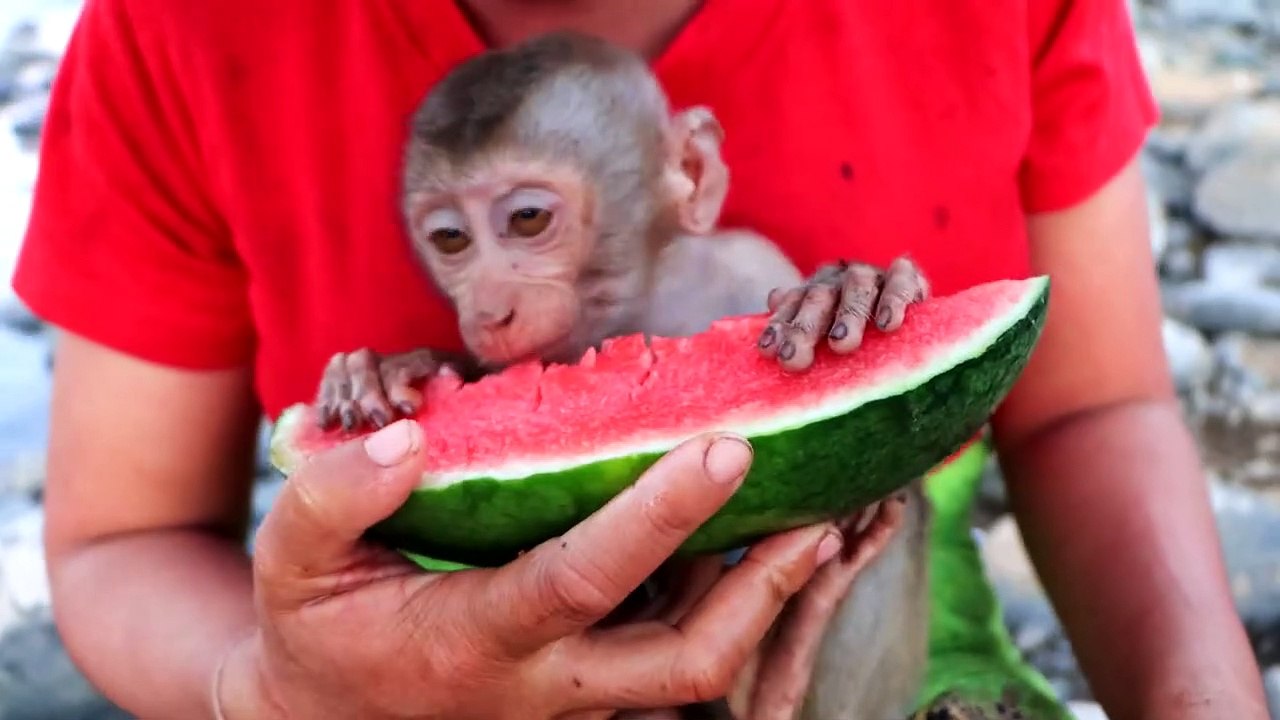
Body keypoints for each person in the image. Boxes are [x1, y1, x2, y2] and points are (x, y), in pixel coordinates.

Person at [10, 0, 1270, 717]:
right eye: (446, 242)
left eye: (528, 223)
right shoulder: (176, 34)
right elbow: (123, 535)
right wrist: (270, 686)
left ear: (690, 173)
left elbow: (1089, 408)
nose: (486, 294)